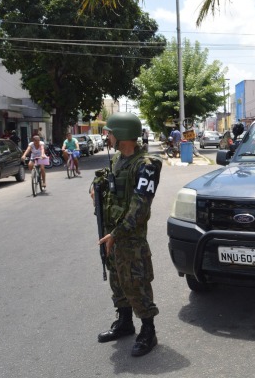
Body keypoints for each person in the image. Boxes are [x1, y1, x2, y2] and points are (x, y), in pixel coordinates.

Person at [91, 112, 162, 357]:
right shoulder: (118, 160)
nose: (106, 136)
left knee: (135, 282)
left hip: (130, 238)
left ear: (121, 135)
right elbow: (110, 184)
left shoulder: (146, 166)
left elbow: (140, 208)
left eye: (109, 132)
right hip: (112, 235)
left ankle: (148, 331)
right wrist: (97, 187)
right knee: (117, 280)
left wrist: (117, 234)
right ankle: (124, 322)